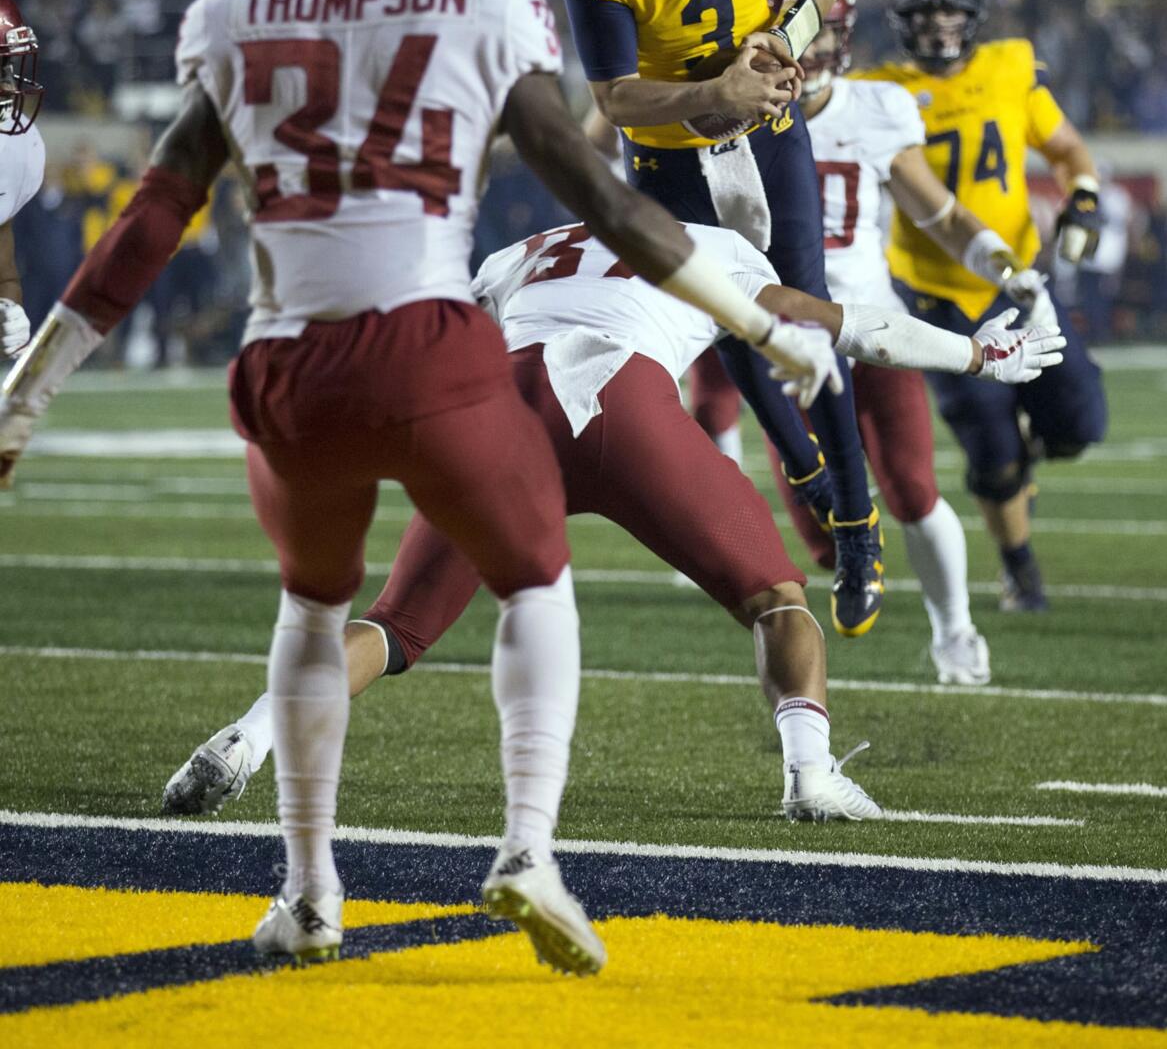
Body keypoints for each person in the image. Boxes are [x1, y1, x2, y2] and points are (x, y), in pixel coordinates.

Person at [0, 0, 843, 976]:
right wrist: (758, 317)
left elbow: (147, 224)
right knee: (535, 585)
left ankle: (305, 893)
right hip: (433, 354)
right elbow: (609, 203)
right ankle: (525, 849)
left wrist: (26, 396)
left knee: (314, 613)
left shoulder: (233, 19)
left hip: (284, 368)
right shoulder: (483, 8)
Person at [163, 221, 1061, 826]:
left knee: (396, 625)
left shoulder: (527, 245)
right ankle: (811, 776)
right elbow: (850, 329)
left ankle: (248, 736)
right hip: (618, 404)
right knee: (777, 599)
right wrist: (979, 352)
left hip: (497, 413)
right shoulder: (715, 243)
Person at [532, 0, 886, 639]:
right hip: (669, 156)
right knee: (730, 323)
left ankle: (855, 516)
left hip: (768, 132)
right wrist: (711, 92)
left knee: (803, 313)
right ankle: (802, 469)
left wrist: (779, 44)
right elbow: (615, 98)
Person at [771, 0, 1075, 677]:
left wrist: (1005, 266)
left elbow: (940, 214)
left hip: (874, 326)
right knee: (823, 543)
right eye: (800, 31)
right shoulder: (740, 116)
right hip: (789, 340)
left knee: (911, 489)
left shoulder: (876, 108)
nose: (813, 49)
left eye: (824, 31)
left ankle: (956, 632)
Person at [857, 0, 1109, 612]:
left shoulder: (1010, 67)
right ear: (903, 24)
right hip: (938, 296)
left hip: (1022, 284)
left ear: (973, 21)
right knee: (992, 455)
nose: (940, 29)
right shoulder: (877, 90)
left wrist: (1083, 198)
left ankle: (1030, 458)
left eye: (951, 15)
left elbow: (1068, 151)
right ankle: (1020, 570)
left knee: (1083, 422)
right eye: (925, 16)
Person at [0, 0, 46, 360]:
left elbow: (5, 276)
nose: (9, 86)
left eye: (8, 67)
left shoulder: (17, 150)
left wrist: (7, 312)